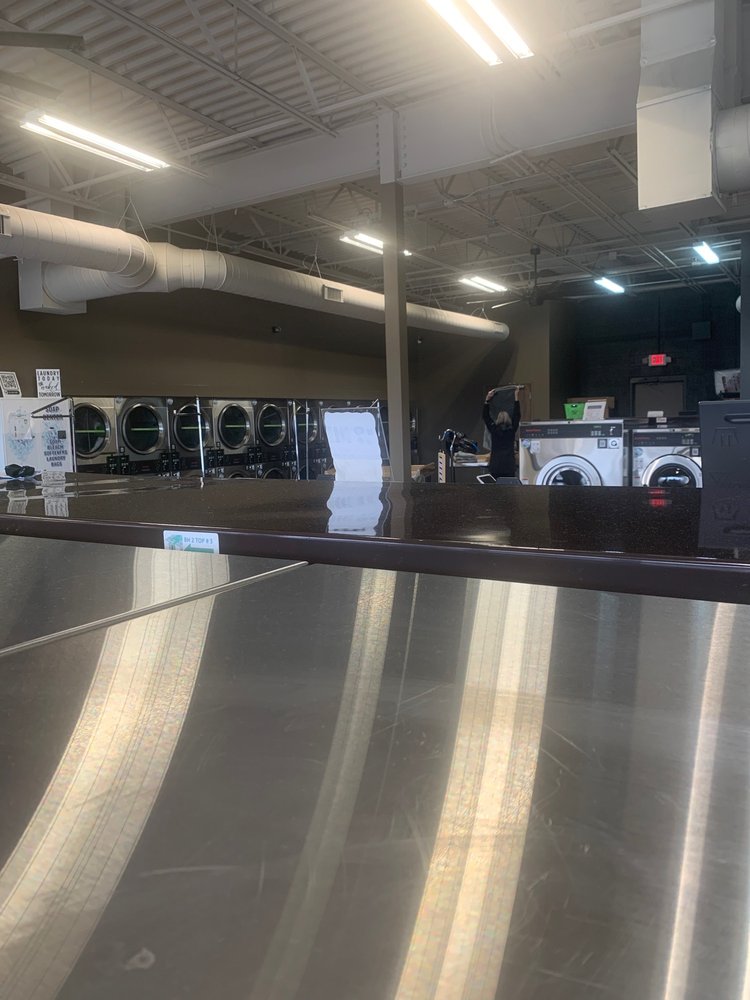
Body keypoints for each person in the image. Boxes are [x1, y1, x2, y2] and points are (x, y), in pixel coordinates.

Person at [483, 387, 521, 479]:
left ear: (497, 419)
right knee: (509, 486)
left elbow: (486, 416)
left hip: (496, 465)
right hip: (509, 465)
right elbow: (517, 415)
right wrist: (516, 396)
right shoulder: (511, 430)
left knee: (496, 487)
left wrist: (487, 400)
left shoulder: (494, 429)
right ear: (509, 419)